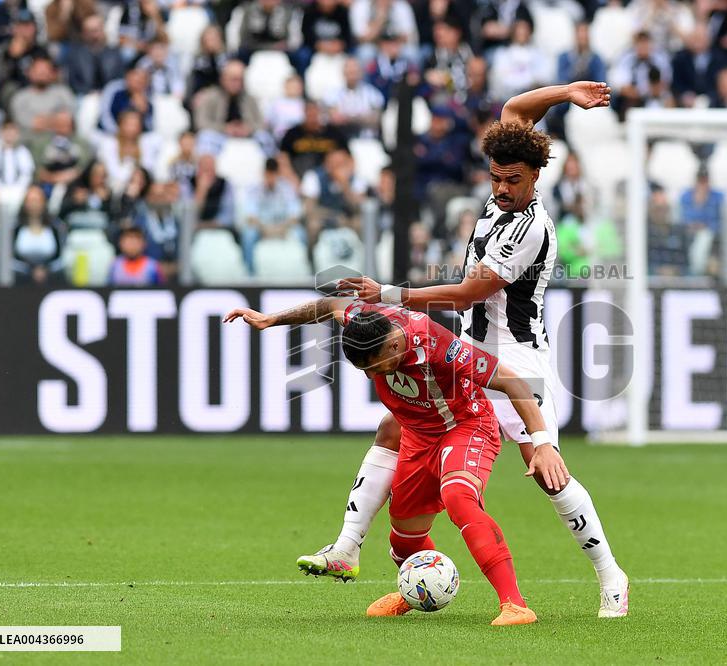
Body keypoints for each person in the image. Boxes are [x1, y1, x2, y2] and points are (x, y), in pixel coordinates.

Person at [304, 81, 631, 618]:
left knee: (547, 470)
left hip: (517, 360)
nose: (501, 188)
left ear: (535, 178)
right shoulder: (502, 190)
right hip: (469, 348)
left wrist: (389, 293)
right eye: (497, 178)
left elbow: (468, 291)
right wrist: (568, 91)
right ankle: (352, 549)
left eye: (513, 180)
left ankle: (610, 574)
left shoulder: (531, 228)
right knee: (396, 426)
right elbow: (514, 110)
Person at [224, 295, 568, 625]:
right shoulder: (364, 321)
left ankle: (515, 604)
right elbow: (330, 305)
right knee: (404, 535)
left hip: (465, 426)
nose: (371, 376)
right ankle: (414, 590)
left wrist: (543, 443)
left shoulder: (439, 346)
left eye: (373, 367)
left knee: (459, 497)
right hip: (418, 433)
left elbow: (514, 382)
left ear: (393, 346)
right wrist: (273, 320)